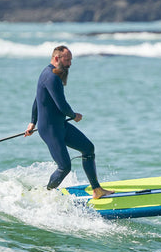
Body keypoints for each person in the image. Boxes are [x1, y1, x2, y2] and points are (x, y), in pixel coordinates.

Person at [24, 45, 114, 199]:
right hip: (50, 129)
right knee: (64, 167)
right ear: (57, 58)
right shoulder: (51, 77)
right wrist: (74, 115)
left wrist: (32, 122)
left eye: (70, 60)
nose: (70, 64)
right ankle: (45, 196)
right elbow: (62, 106)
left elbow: (37, 99)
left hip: (60, 126)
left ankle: (97, 190)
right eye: (67, 60)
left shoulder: (51, 74)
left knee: (88, 148)